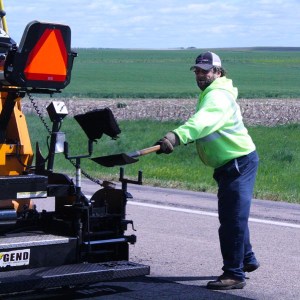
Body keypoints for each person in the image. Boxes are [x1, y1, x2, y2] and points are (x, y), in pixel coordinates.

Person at [155, 51, 260, 290]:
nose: (201, 75)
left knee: (232, 220)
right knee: (236, 215)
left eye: (206, 71)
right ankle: (247, 258)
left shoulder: (218, 97)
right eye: (198, 71)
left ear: (218, 72)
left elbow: (202, 122)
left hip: (237, 162)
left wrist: (176, 136)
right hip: (232, 162)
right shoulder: (213, 92)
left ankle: (234, 275)